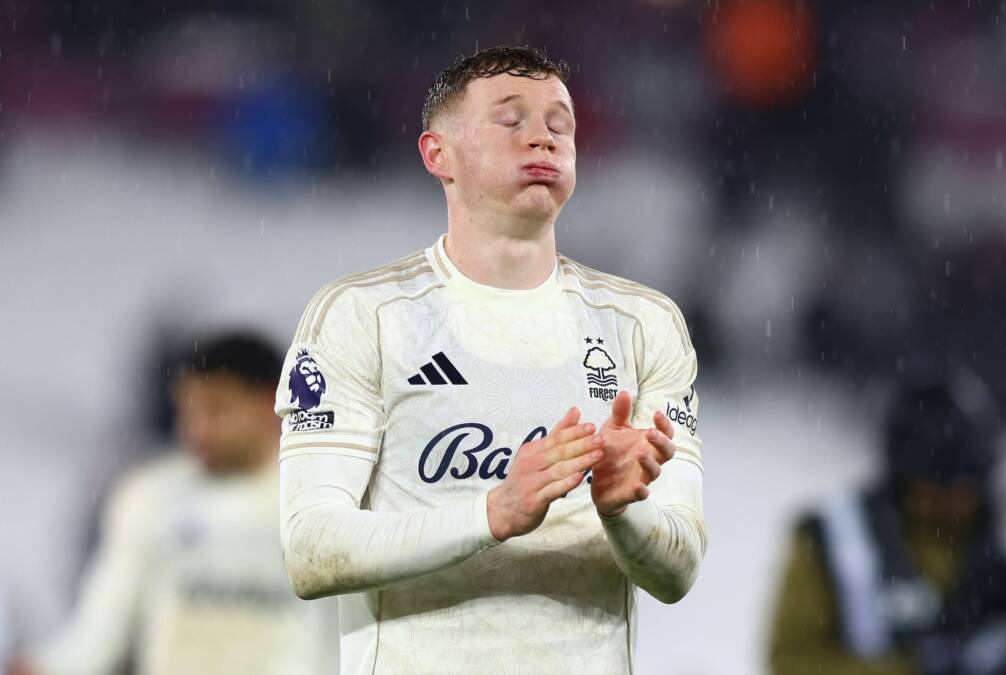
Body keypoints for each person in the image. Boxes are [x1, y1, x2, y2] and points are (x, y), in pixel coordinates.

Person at [275, 46, 706, 674]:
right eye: (511, 120)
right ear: (438, 154)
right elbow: (310, 550)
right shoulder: (364, 316)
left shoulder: (644, 324)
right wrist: (493, 513)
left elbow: (678, 571)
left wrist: (624, 509)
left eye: (560, 125)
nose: (543, 137)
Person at [12, 333, 339, 675]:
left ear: (269, 403)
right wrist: (43, 667)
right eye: (188, 411)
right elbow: (100, 632)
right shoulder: (149, 497)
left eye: (217, 409)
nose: (197, 430)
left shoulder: (326, 500)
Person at [768, 368, 1006, 675]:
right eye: (942, 484)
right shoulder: (835, 538)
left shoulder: (1003, 529)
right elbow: (789, 660)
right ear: (905, 477)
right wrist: (911, 669)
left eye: (970, 481)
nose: (958, 496)